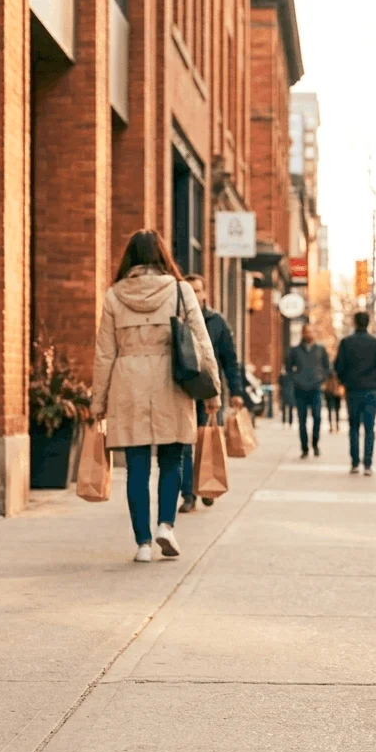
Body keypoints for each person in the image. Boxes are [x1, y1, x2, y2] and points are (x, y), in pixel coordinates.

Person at [90, 230, 220, 562]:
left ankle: (143, 543)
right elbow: (202, 342)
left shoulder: (114, 296)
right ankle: (166, 525)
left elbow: (104, 354)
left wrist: (98, 402)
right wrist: (212, 392)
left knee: (136, 466)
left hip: (127, 383)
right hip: (171, 382)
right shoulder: (180, 290)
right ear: (163, 255)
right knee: (172, 459)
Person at [177, 275, 248, 513]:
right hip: (183, 392)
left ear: (205, 294)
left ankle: (207, 485)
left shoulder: (217, 321)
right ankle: (188, 495)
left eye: (198, 291)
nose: (195, 296)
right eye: (190, 291)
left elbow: (230, 360)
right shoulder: (177, 321)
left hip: (209, 393)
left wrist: (237, 391)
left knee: (208, 442)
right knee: (185, 446)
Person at [334, 311, 376, 475]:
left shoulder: (346, 343)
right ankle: (367, 464)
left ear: (354, 323)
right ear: (368, 323)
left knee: (353, 427)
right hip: (371, 390)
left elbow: (338, 366)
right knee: (369, 427)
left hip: (353, 390)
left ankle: (354, 463)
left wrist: (345, 381)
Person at [285, 325, 331, 458]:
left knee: (317, 417)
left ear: (314, 333)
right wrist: (295, 379)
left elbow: (327, 368)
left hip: (315, 388)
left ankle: (315, 444)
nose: (308, 334)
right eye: (306, 332)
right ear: (302, 333)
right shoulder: (295, 350)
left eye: (311, 331)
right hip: (300, 389)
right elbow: (288, 368)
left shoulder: (320, 349)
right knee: (302, 420)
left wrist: (321, 378)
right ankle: (304, 448)